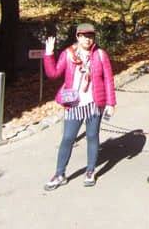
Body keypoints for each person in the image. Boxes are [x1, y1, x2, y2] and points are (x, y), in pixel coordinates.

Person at [43, 23, 117, 190]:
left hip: (94, 102)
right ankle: (59, 174)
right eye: (84, 36)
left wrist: (111, 103)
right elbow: (53, 73)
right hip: (74, 103)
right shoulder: (68, 54)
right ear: (77, 37)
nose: (87, 39)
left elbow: (108, 79)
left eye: (90, 36)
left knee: (92, 136)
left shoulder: (100, 55)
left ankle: (90, 171)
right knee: (68, 138)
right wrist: (48, 54)